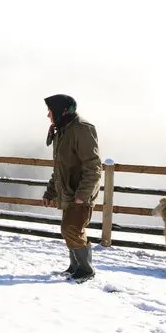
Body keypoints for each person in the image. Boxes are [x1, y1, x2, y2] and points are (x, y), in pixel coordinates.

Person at [41, 94, 102, 283]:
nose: (48, 115)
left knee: (72, 228)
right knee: (71, 229)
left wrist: (82, 195)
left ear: (61, 110)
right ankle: (75, 266)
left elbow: (93, 167)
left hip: (79, 193)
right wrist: (51, 191)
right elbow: (60, 168)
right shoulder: (63, 129)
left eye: (50, 110)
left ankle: (85, 269)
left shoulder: (82, 129)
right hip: (69, 191)